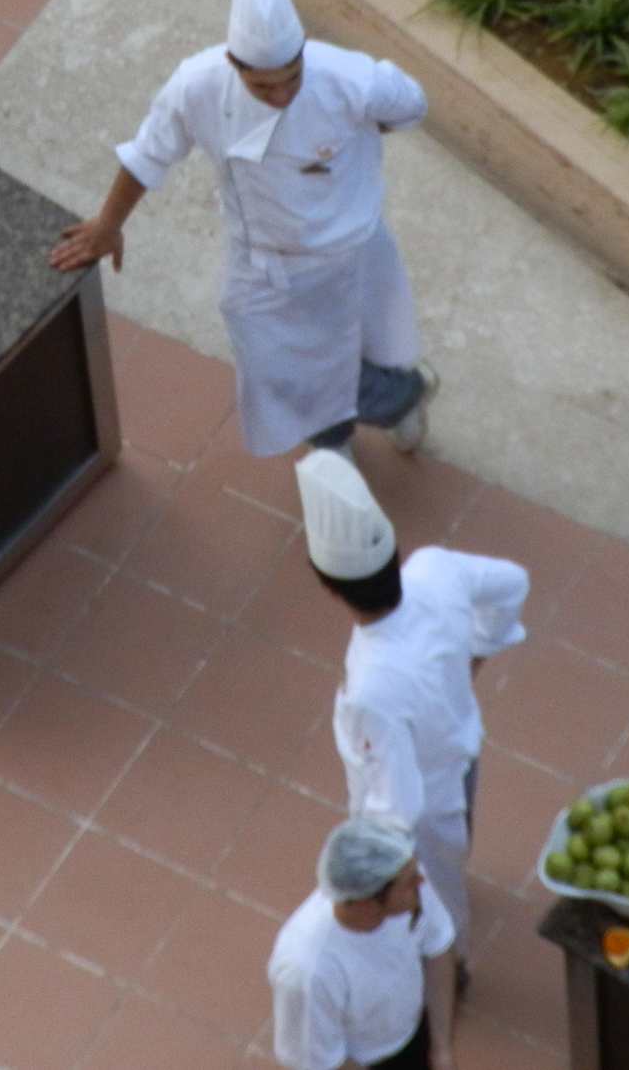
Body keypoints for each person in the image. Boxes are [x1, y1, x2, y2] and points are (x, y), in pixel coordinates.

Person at [47, 0, 437, 457]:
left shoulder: (350, 79)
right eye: (264, 87)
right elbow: (148, 154)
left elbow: (411, 105)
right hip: (263, 262)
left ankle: (381, 409)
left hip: (351, 249)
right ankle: (362, 419)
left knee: (349, 343)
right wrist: (107, 225)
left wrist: (354, 142)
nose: (282, 96)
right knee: (277, 363)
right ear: (234, 63)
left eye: (292, 78)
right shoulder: (197, 86)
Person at [298, 448, 530, 972]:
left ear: (329, 587)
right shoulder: (434, 569)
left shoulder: (371, 687)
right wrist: (478, 652)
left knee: (436, 903)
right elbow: (513, 582)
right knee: (452, 861)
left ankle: (453, 971)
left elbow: (396, 805)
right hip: (462, 759)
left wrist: (370, 869)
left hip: (427, 810)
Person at [268, 816, 458, 1070]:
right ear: (366, 903)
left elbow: (438, 946)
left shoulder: (406, 879)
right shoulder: (308, 971)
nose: (421, 881)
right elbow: (318, 1061)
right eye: (409, 882)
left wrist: (441, 1051)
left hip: (411, 1034)